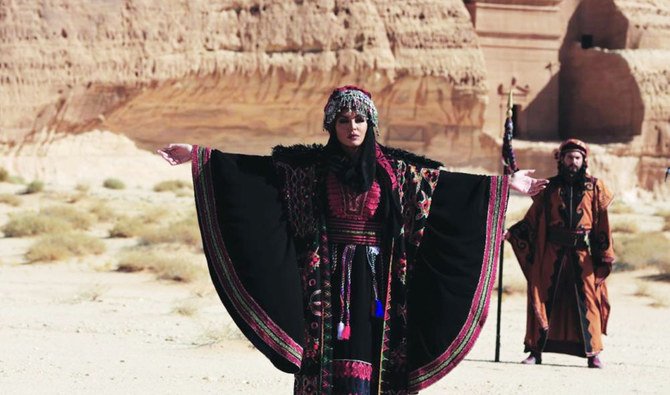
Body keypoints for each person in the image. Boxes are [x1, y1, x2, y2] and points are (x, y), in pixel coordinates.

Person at [158, 86, 548, 394]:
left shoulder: (396, 171)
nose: (353, 126)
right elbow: (253, 175)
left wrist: (506, 186)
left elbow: (448, 191)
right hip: (323, 279)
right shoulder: (307, 168)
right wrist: (199, 156)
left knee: (380, 353)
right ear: (332, 125)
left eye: (360, 118)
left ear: (371, 123)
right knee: (325, 354)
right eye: (343, 119)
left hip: (383, 282)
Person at [506, 138, 614, 369]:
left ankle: (593, 353)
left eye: (577, 157)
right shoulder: (549, 188)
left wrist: (603, 254)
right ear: (561, 160)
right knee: (543, 296)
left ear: (584, 160)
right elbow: (533, 218)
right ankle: (535, 351)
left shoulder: (595, 187)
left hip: (583, 254)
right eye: (569, 157)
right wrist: (513, 233)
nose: (573, 161)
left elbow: (602, 223)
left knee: (589, 300)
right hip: (552, 251)